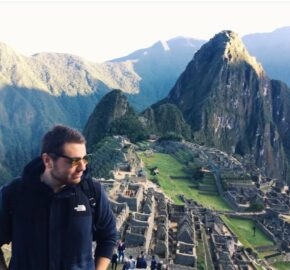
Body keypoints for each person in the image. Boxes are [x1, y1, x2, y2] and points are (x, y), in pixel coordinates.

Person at [0, 124, 117, 270]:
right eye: (74, 161)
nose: (82, 167)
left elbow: (108, 236)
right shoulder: (13, 194)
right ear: (47, 160)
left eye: (85, 159)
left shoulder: (92, 192)